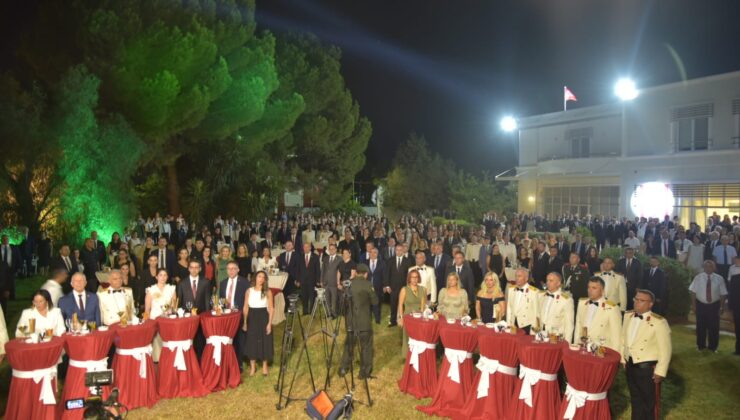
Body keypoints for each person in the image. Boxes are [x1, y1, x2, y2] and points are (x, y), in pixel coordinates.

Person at [621, 289, 672, 420]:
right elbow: (623, 338)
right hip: (631, 365)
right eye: (636, 299)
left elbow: (665, 349)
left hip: (647, 369)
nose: (637, 303)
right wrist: (623, 359)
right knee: (635, 399)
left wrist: (660, 371)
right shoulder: (628, 316)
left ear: (650, 304)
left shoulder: (659, 322)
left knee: (649, 404)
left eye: (642, 301)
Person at [338, 264, 378, 379]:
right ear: (365, 274)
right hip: (364, 322)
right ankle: (364, 373)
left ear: (355, 272)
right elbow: (375, 301)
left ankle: (343, 369)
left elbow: (343, 303)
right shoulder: (367, 284)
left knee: (349, 346)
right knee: (366, 347)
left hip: (350, 321)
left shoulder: (348, 284)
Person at [574, 277, 622, 353]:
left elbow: (616, 335)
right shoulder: (582, 303)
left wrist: (616, 356)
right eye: (589, 287)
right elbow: (578, 325)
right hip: (583, 347)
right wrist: (576, 344)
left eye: (594, 288)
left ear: (602, 291)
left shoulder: (612, 308)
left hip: (601, 350)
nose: (590, 290)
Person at [688, 260, 728, 352]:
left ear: (714, 268)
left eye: (710, 266)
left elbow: (723, 294)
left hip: (714, 305)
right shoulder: (698, 277)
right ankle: (700, 346)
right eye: (706, 266)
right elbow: (693, 292)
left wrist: (721, 306)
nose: (708, 268)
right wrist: (694, 306)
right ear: (704, 267)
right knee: (701, 326)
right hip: (701, 305)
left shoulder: (719, 278)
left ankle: (713, 347)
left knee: (714, 327)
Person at [242, 270, 274, 376]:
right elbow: (245, 307)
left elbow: (271, 308)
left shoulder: (268, 292)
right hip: (252, 316)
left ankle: (265, 366)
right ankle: (253, 367)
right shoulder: (249, 291)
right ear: (255, 277)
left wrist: (269, 323)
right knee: (252, 340)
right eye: (259, 276)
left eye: (263, 277)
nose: (261, 279)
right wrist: (245, 322)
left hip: (263, 316)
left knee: (265, 339)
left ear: (265, 280)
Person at [145, 268, 177, 362]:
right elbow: (147, 309)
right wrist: (147, 323)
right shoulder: (151, 289)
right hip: (154, 320)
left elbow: (174, 307)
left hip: (168, 321)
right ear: (156, 277)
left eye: (165, 275)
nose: (163, 277)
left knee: (168, 345)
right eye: (160, 275)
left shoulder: (171, 289)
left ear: (167, 277)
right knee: (156, 347)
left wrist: (170, 311)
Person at [398, 269, 427, 356]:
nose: (414, 279)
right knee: (407, 337)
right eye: (412, 277)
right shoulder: (404, 289)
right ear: (409, 278)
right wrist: (401, 318)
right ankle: (407, 356)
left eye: (416, 277)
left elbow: (423, 306)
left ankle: (418, 355)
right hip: (408, 317)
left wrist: (423, 317)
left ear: (418, 278)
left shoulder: (423, 289)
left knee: (419, 337)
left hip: (418, 318)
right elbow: (400, 305)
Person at [539, 272, 574, 342]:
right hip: (541, 334)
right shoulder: (541, 295)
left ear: (558, 283)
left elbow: (569, 325)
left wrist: (567, 343)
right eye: (547, 280)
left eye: (551, 281)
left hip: (555, 337)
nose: (548, 283)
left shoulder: (566, 300)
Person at [385, 243, 413, 326]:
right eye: (397, 250)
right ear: (395, 250)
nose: (398, 251)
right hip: (393, 287)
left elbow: (409, 275)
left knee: (404, 305)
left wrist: (408, 287)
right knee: (393, 305)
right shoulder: (390, 260)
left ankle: (404, 321)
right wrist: (387, 285)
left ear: (403, 250)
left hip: (404, 287)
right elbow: (387, 274)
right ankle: (393, 321)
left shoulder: (408, 261)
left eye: (400, 250)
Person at [506, 268, 540, 333]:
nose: (516, 278)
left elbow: (537, 313)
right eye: (516, 276)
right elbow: (509, 308)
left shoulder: (534, 292)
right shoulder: (511, 289)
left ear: (526, 278)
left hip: (526, 325)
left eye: (519, 276)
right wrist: (508, 324)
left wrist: (534, 331)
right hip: (513, 324)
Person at [297, 243, 321, 315]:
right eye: (304, 247)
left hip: (312, 281)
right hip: (303, 281)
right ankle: (305, 311)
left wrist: (318, 280)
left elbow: (318, 270)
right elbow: (298, 269)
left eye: (307, 247)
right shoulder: (300, 257)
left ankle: (312, 312)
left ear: (310, 248)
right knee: (304, 297)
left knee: (312, 297)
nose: (305, 248)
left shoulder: (316, 257)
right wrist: (298, 280)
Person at [367, 247, 386, 324]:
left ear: (377, 254)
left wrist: (385, 286)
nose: (372, 254)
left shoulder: (382, 263)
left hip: (378, 287)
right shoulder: (365, 262)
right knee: (367, 304)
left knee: (377, 304)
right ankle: (368, 319)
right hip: (367, 287)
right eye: (371, 252)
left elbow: (385, 275)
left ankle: (377, 319)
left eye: (374, 252)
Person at [728, 256, 740, 355]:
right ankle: (738, 349)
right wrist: (731, 308)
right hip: (737, 308)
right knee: (738, 329)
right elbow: (731, 293)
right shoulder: (734, 278)